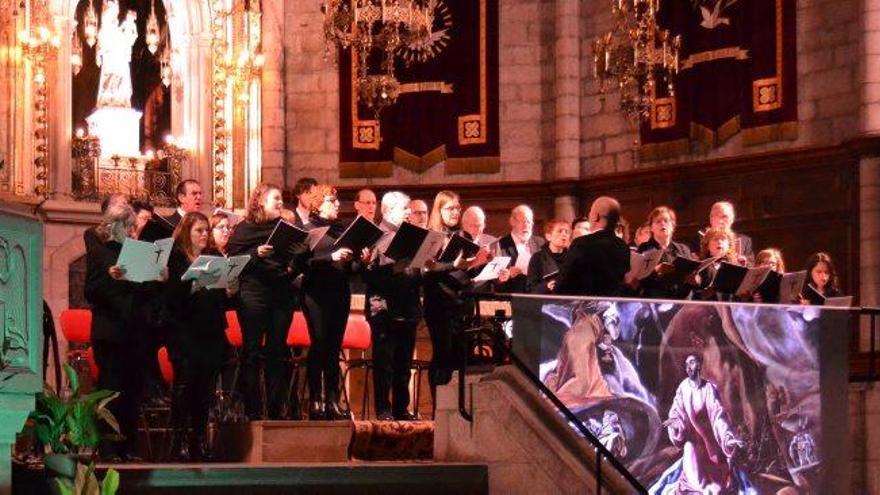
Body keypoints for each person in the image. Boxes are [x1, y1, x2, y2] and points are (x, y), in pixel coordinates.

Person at [85, 203, 164, 461]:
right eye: (128, 226)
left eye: (133, 226)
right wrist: (111, 276)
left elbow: (146, 293)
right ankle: (108, 448)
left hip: (135, 331)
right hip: (110, 332)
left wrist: (158, 277)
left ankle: (128, 447)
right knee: (111, 390)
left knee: (133, 391)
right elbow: (91, 291)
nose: (132, 231)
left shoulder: (134, 251)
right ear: (114, 225)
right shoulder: (102, 251)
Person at [165, 212, 236, 461]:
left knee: (205, 389)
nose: (205, 234)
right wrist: (191, 282)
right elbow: (170, 297)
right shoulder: (175, 258)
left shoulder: (214, 257)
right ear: (186, 232)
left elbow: (220, 300)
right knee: (185, 385)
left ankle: (201, 439)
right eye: (199, 230)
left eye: (206, 230)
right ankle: (181, 439)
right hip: (184, 329)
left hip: (211, 330)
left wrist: (228, 290)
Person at [227, 183, 295, 420]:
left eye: (281, 199)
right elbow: (233, 261)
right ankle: (253, 411)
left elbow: (296, 258)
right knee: (252, 351)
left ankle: (277, 411)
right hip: (253, 295)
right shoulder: (245, 229)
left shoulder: (285, 228)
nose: (280, 203)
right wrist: (257, 254)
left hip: (281, 295)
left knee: (277, 351)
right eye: (275, 198)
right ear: (259, 202)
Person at [300, 184, 363, 420]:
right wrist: (330, 257)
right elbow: (303, 263)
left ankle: (332, 400)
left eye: (336, 201)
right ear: (317, 204)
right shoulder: (307, 229)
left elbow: (351, 269)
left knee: (334, 346)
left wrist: (361, 261)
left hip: (339, 291)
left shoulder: (341, 229)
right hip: (316, 293)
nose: (337, 204)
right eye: (331, 200)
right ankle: (316, 399)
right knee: (319, 343)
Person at [651, 354, 749, 494]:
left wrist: (727, 437)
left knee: (718, 488)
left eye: (691, 363)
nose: (688, 367)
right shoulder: (683, 388)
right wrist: (676, 423)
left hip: (712, 444)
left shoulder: (709, 389)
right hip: (692, 443)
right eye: (686, 365)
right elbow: (677, 411)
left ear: (699, 365)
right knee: (696, 482)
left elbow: (718, 416)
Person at [363, 192, 421, 421]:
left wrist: (422, 267)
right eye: (405, 208)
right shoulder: (375, 235)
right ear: (388, 210)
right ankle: (384, 409)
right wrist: (393, 269)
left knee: (404, 363)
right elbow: (369, 276)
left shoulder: (410, 235)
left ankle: (401, 408)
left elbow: (415, 275)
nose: (409, 212)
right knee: (384, 362)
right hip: (384, 305)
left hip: (407, 305)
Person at [556, 197, 630, 296]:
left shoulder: (582, 243)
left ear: (596, 217)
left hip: (584, 308)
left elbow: (563, 284)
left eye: (590, 212)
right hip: (612, 307)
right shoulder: (623, 246)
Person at [634, 206, 694, 300]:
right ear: (651, 228)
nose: (662, 223)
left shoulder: (683, 249)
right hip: (655, 301)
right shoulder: (644, 249)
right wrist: (655, 271)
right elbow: (638, 280)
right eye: (658, 221)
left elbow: (690, 275)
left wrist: (695, 280)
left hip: (681, 300)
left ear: (673, 226)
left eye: (666, 220)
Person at [493, 205, 545, 294]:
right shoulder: (500, 244)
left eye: (529, 222)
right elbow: (495, 281)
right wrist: (507, 275)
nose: (526, 225)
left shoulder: (540, 242)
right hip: (513, 295)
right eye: (523, 221)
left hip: (537, 296)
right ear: (512, 222)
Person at [693, 227, 739, 300]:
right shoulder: (700, 267)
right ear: (707, 245)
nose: (719, 242)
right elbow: (693, 294)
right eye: (715, 239)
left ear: (729, 246)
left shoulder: (735, 267)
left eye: (723, 239)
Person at [526, 219, 570, 294]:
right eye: (560, 231)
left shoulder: (571, 256)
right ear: (548, 236)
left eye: (567, 232)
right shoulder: (537, 258)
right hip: (546, 302)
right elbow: (531, 289)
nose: (564, 234)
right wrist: (547, 286)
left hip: (568, 302)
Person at [705, 200, 754, 266]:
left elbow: (751, 265)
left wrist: (743, 262)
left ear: (732, 220)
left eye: (724, 217)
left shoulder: (745, 241)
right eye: (716, 216)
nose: (720, 221)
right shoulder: (701, 239)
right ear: (710, 219)